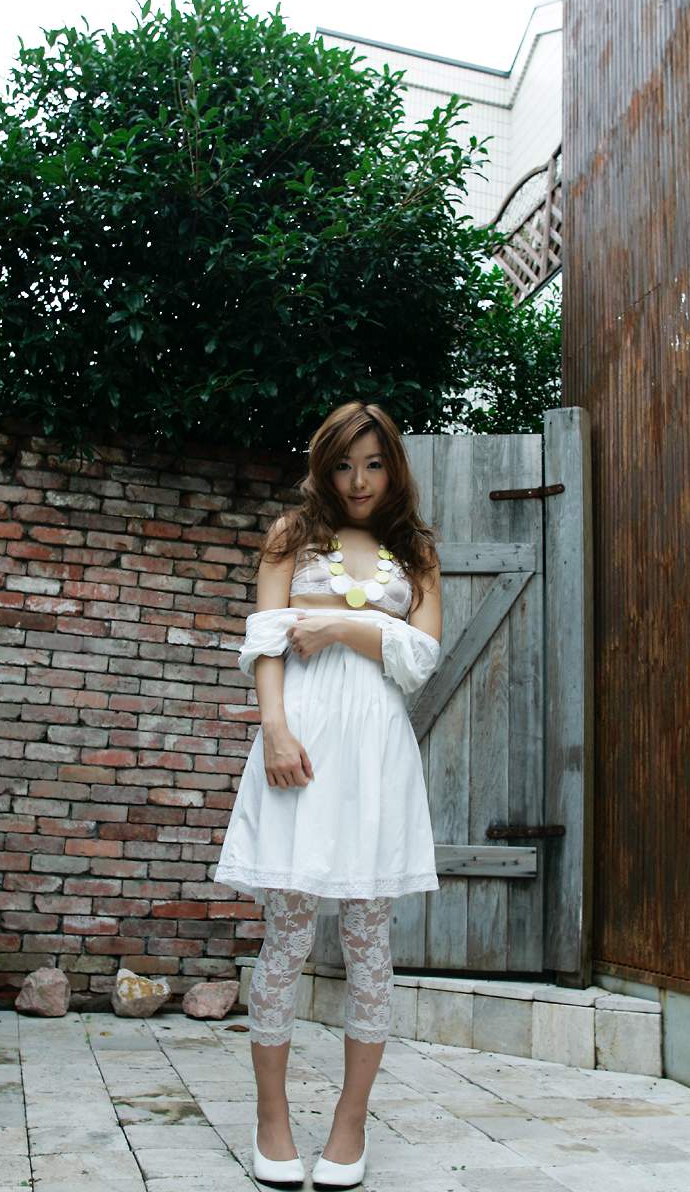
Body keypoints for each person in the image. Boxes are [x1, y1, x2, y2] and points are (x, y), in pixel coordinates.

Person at [213, 400, 443, 1189]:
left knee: (370, 940)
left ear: (393, 468)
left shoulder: (415, 552)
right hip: (301, 747)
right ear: (323, 465)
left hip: (375, 754)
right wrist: (275, 730)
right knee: (287, 937)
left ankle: (350, 1126)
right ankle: (271, 1120)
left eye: (373, 464)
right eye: (344, 464)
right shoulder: (291, 536)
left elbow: (423, 658)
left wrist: (340, 626)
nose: (358, 480)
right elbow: (266, 641)